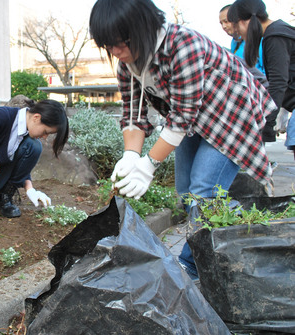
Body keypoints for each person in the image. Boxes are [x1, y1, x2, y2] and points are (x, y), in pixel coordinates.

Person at [89, 0, 277, 280]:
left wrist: (149, 164)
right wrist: (131, 156)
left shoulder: (183, 45)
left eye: (121, 42)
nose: (117, 52)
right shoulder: (127, 64)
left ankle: (192, 265)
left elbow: (182, 116)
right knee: (186, 191)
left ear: (143, 28)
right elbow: (132, 116)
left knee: (204, 191)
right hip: (192, 119)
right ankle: (228, 225)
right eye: (109, 45)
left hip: (230, 115)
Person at [228, 0, 295, 154]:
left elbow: (279, 83)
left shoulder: (276, 36)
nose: (238, 33)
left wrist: (268, 123)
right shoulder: (277, 32)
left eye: (237, 26)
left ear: (247, 21)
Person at [219, 4, 265, 74]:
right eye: (221, 23)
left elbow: (267, 71)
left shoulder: (258, 41)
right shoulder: (234, 42)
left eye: (226, 21)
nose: (224, 26)